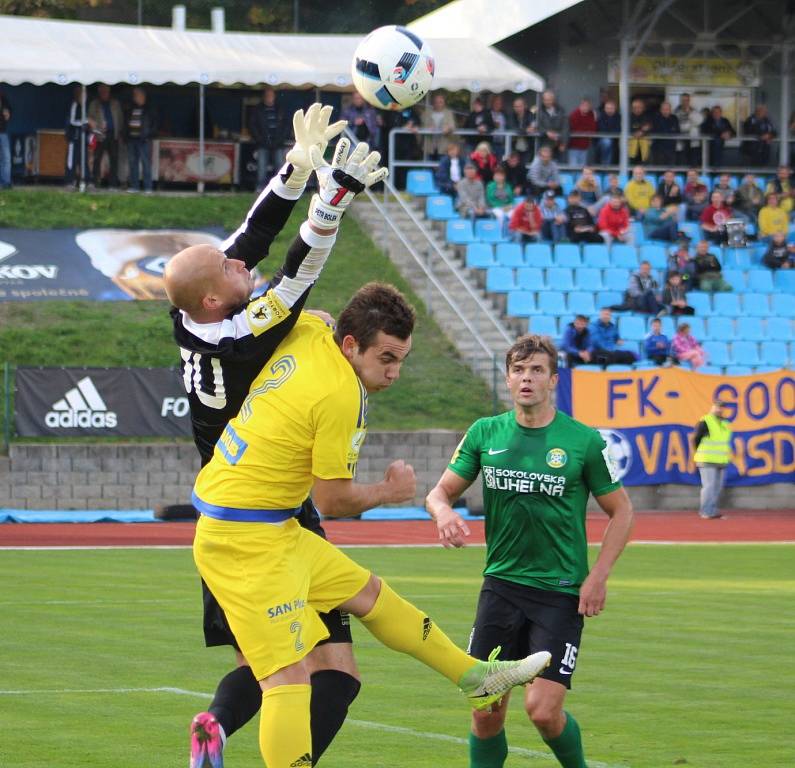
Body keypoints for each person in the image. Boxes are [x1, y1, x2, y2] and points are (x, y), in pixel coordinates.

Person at [189, 278, 552, 768]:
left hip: (269, 526)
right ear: (351, 345)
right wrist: (389, 492)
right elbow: (332, 499)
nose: (395, 372)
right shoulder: (342, 396)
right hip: (244, 541)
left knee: (370, 596)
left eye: (402, 359)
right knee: (287, 678)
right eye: (386, 359)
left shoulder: (314, 330)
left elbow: (313, 311)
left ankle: (475, 678)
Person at [166, 106, 382, 768]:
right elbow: (295, 272)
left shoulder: (202, 313)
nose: (240, 267)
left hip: (222, 519)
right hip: (269, 518)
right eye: (230, 273)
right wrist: (332, 198)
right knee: (333, 675)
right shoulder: (235, 332)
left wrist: (294, 165)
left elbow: (251, 236)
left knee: (270, 670)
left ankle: (215, 724)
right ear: (215, 300)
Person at [425, 333, 634, 768]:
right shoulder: (485, 433)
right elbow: (439, 493)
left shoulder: (583, 441)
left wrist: (598, 576)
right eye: (518, 370)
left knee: (542, 711)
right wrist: (443, 512)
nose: (526, 379)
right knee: (486, 711)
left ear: (553, 379)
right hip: (500, 588)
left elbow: (622, 511)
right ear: (507, 378)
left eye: (536, 370)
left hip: (559, 593)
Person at [693, 400, 732, 520]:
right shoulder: (705, 421)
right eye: (717, 407)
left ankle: (712, 510)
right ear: (712, 407)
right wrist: (699, 452)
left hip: (721, 460)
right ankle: (706, 511)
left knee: (717, 487)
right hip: (707, 459)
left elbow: (724, 442)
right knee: (709, 486)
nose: (720, 409)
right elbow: (696, 438)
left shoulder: (725, 423)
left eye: (722, 408)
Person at [249, 87, 288, 190]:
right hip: (263, 143)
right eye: (267, 96)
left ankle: (280, 189)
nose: (269, 98)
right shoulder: (258, 109)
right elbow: (252, 125)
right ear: (264, 97)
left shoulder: (280, 109)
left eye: (271, 95)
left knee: (280, 167)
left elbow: (286, 126)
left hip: (278, 143)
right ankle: (260, 188)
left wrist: (281, 139)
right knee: (261, 167)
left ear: (274, 97)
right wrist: (259, 139)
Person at [88, 83, 123, 188]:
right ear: (99, 92)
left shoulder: (115, 103)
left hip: (113, 134)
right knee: (97, 159)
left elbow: (120, 118)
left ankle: (113, 184)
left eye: (106, 91)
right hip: (100, 134)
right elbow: (90, 119)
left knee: (114, 159)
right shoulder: (94, 104)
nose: (104, 93)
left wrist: (120, 132)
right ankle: (95, 182)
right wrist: (97, 127)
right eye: (102, 91)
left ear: (109, 91)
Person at [124, 87, 157, 193]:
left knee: (145, 163)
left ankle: (148, 187)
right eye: (134, 95)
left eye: (136, 95)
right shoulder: (131, 108)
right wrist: (125, 135)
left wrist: (148, 135)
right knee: (133, 163)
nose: (134, 97)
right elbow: (126, 122)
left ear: (142, 96)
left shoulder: (149, 108)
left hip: (143, 140)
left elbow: (154, 124)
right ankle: (135, 186)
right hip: (132, 139)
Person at [65, 86, 90, 188]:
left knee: (84, 159)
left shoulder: (86, 106)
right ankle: (70, 180)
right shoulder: (74, 105)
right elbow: (72, 121)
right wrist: (86, 122)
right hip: (73, 138)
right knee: (72, 160)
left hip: (83, 138)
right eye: (82, 95)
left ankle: (86, 180)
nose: (84, 97)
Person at [533, 89, 568, 158]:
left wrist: (563, 143)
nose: (547, 102)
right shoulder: (538, 111)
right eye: (545, 100)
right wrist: (546, 132)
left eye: (549, 100)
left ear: (553, 100)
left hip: (559, 143)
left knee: (560, 166)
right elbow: (537, 126)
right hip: (544, 144)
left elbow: (566, 127)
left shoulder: (561, 111)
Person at [422, 92, 457, 160]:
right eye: (436, 102)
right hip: (429, 146)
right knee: (428, 168)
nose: (438, 104)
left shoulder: (448, 113)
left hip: (444, 146)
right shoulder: (427, 112)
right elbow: (421, 126)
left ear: (444, 103)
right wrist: (427, 128)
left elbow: (453, 126)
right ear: (433, 103)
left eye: (440, 102)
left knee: (442, 168)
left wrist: (448, 128)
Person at [567, 97, 596, 168]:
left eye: (588, 106)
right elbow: (573, 129)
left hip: (585, 146)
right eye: (584, 106)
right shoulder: (574, 114)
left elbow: (593, 130)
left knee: (582, 168)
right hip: (574, 146)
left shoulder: (591, 114)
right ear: (580, 106)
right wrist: (585, 131)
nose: (586, 108)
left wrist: (595, 118)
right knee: (573, 167)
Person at [674, 93, 702, 166]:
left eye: (687, 100)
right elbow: (676, 125)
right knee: (681, 163)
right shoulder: (675, 112)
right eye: (683, 100)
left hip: (692, 141)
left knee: (693, 163)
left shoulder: (694, 111)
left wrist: (689, 113)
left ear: (689, 101)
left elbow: (699, 121)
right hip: (681, 141)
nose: (685, 102)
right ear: (680, 101)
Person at [486, 165, 515, 233]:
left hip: (507, 207)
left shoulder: (508, 186)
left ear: (504, 177)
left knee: (513, 215)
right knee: (500, 215)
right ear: (494, 176)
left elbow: (511, 199)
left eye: (501, 175)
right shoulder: (490, 186)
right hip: (495, 207)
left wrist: (511, 205)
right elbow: (490, 199)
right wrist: (501, 207)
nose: (498, 177)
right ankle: (500, 233)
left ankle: (512, 233)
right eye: (497, 175)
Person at [651, 101, 679, 166]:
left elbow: (677, 131)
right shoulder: (656, 118)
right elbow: (656, 131)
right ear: (660, 110)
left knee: (670, 169)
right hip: (658, 149)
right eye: (664, 109)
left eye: (667, 109)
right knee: (659, 168)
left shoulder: (674, 118)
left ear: (670, 110)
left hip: (671, 149)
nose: (665, 111)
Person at [507, 97, 533, 163]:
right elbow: (512, 127)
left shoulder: (530, 115)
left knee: (526, 166)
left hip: (527, 146)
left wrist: (527, 129)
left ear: (525, 106)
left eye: (520, 106)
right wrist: (525, 130)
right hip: (514, 147)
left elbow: (533, 127)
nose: (518, 108)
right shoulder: (511, 115)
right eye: (515, 106)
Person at [595, 99, 620, 165]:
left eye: (611, 108)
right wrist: (611, 132)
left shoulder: (619, 117)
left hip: (615, 142)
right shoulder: (601, 117)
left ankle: (607, 169)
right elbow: (602, 129)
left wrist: (611, 132)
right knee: (607, 142)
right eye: (607, 108)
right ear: (604, 109)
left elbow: (618, 129)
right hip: (600, 142)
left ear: (615, 109)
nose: (609, 110)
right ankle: (605, 167)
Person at [628, 98, 652, 164]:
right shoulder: (628, 117)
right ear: (632, 108)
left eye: (639, 107)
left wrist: (641, 132)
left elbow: (648, 127)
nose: (637, 109)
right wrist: (638, 131)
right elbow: (627, 128)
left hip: (644, 148)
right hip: (631, 147)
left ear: (643, 108)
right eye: (635, 107)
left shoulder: (648, 116)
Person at [0, 88, 10, 189]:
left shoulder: (4, 101)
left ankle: (6, 182)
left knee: (6, 159)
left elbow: (8, 115)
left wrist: (7, 114)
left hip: (2, 132)